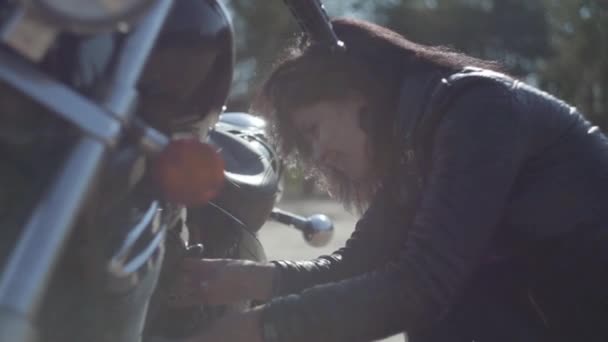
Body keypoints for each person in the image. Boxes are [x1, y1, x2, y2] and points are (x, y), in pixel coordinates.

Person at [172, 17, 608, 342]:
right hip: (554, 310)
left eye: (314, 130)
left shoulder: (478, 111)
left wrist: (252, 329)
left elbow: (419, 286)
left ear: (355, 93)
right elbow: (358, 264)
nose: (320, 155)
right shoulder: (418, 142)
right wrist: (236, 279)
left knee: (443, 313)